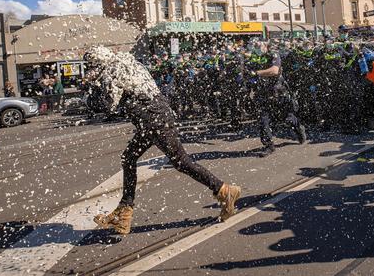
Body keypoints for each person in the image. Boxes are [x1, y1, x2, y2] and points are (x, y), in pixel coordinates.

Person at [84, 46, 241, 235]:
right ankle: (124, 212)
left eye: (91, 66)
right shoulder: (128, 62)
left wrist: (91, 89)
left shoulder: (112, 70)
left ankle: (224, 190)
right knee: (129, 158)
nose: (90, 70)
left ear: (97, 62)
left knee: (181, 161)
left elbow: (108, 105)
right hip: (155, 116)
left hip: (152, 118)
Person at [249, 41, 306, 157]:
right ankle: (269, 145)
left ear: (265, 46)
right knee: (263, 120)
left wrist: (257, 73)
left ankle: (299, 129)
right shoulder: (255, 59)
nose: (257, 48)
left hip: (279, 93)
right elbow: (250, 74)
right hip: (264, 94)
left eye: (259, 46)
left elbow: (274, 70)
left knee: (288, 119)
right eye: (254, 47)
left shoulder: (273, 55)